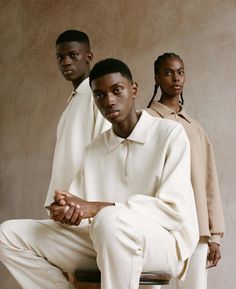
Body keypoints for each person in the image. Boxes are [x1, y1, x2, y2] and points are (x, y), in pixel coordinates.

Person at [0, 58, 199, 289]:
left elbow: (173, 212)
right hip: (103, 239)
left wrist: (97, 208)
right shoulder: (94, 149)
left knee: (109, 220)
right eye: (100, 95)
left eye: (117, 90)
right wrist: (67, 210)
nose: (109, 101)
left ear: (133, 89)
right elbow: (81, 207)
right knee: (8, 234)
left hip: (164, 244)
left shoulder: (169, 134)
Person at [146, 52, 225, 289]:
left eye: (180, 72)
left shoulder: (195, 128)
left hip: (197, 227)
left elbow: (209, 181)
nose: (176, 78)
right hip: (159, 225)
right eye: (168, 73)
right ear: (157, 78)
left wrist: (215, 236)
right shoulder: (147, 120)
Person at [45, 29, 110, 207]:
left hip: (84, 201)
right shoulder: (74, 100)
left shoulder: (97, 96)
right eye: (60, 57)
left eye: (73, 55)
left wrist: (89, 203)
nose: (66, 62)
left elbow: (105, 148)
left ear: (88, 57)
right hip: (65, 202)